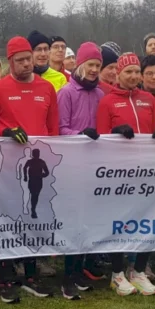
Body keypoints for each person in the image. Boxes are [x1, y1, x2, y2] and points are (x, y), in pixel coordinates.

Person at [0, 36, 60, 301]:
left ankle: (32, 273)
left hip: (39, 165)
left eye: (29, 59)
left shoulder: (47, 88)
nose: (26, 64)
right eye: (20, 60)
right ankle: (4, 276)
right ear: (9, 62)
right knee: (9, 217)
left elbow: (54, 129)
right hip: (9, 165)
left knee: (34, 216)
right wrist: (6, 131)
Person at [95, 51, 155, 296]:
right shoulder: (107, 100)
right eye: (129, 71)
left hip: (146, 170)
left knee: (146, 220)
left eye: (137, 71)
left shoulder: (148, 98)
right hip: (119, 173)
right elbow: (101, 137)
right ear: (118, 73)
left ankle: (138, 270)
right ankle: (117, 273)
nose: (134, 76)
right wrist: (115, 131)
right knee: (120, 222)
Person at [55, 42, 106, 295]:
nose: (95, 70)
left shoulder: (99, 94)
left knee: (87, 220)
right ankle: (67, 276)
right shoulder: (66, 92)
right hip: (72, 165)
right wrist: (81, 134)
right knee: (73, 221)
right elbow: (61, 128)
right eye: (91, 65)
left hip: (93, 165)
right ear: (79, 65)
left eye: (98, 65)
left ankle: (79, 270)